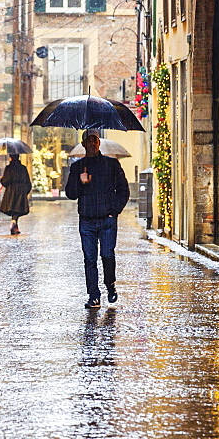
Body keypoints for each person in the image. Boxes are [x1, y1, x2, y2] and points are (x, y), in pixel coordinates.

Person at [64, 129, 130, 309]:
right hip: (87, 220)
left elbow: (124, 190)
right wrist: (80, 181)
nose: (92, 144)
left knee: (107, 255)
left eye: (95, 141)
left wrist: (113, 211)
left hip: (107, 220)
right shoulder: (77, 167)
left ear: (99, 143)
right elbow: (70, 193)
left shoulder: (112, 165)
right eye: (88, 141)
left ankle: (110, 284)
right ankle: (94, 295)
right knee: (90, 259)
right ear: (84, 144)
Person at [0, 153, 32, 234]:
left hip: (11, 191)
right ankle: (15, 225)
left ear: (11, 158)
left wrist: (1, 179)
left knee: (13, 208)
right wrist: (25, 191)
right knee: (17, 208)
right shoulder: (23, 168)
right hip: (21, 191)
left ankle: (14, 222)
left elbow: (5, 182)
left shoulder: (9, 168)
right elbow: (28, 181)